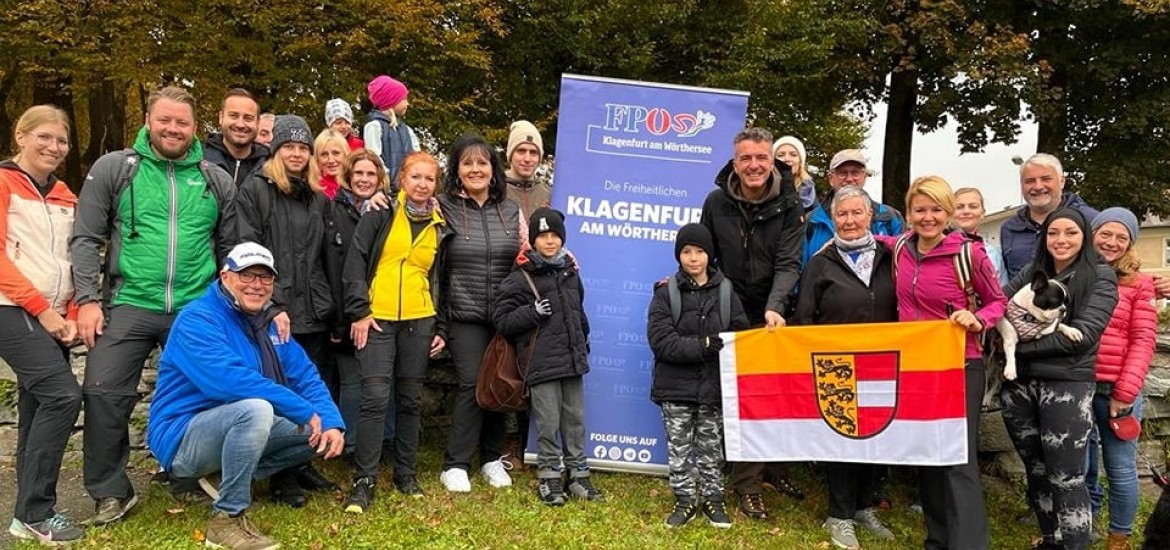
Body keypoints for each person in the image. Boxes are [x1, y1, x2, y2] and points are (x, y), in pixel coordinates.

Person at [71, 86, 237, 525]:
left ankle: (189, 474)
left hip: (194, 306)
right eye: (165, 120)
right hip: (128, 302)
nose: (173, 129)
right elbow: (86, 238)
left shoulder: (214, 179)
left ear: (195, 127)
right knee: (104, 393)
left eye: (182, 122)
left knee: (207, 394)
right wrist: (87, 299)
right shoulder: (116, 169)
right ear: (148, 120)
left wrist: (225, 309)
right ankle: (110, 491)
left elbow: (230, 250)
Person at [147, 242, 344, 550]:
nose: (257, 285)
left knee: (319, 432)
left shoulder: (269, 323)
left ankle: (220, 479)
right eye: (247, 275)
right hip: (182, 437)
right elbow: (229, 382)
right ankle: (226, 520)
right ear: (226, 277)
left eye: (265, 278)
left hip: (232, 427)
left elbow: (305, 376)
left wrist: (330, 421)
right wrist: (301, 409)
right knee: (256, 409)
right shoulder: (197, 320)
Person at [885, 175, 1006, 550]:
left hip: (960, 365)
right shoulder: (901, 248)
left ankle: (968, 543)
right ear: (908, 214)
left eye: (936, 209)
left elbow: (999, 301)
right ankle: (937, 539)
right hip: (916, 366)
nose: (928, 217)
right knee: (928, 452)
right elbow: (870, 240)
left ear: (948, 212)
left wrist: (979, 319)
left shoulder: (969, 255)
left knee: (958, 456)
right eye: (920, 210)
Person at [699, 127, 803, 520]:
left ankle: (763, 476)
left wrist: (775, 306)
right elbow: (705, 255)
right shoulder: (716, 201)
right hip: (729, 307)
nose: (754, 165)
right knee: (738, 398)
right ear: (735, 161)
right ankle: (749, 478)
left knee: (770, 397)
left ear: (772, 160)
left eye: (761, 158)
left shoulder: (791, 204)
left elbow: (789, 262)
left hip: (772, 313)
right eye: (746, 158)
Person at [235, 115, 340, 504]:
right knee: (277, 390)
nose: (296, 154)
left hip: (312, 308)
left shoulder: (317, 197)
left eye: (302, 148)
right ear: (276, 151)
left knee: (310, 385)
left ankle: (300, 462)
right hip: (273, 310)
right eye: (289, 147)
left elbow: (327, 255)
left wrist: (333, 309)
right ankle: (281, 475)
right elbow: (246, 250)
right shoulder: (257, 190)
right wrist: (271, 304)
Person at [1000, 208, 1118, 550]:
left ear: (1084, 237)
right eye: (1053, 233)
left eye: (1070, 233)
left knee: (1066, 477)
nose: (1061, 240)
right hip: (1019, 386)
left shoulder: (1100, 276)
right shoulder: (1031, 273)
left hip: (1067, 385)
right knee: (1036, 472)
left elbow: (1083, 334)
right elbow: (999, 304)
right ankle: (1050, 540)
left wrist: (1016, 348)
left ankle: (1075, 544)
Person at [341, 152, 448, 512]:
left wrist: (441, 326)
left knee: (410, 399)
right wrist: (358, 310)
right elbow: (355, 261)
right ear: (401, 179)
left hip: (420, 320)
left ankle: (406, 472)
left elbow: (443, 280)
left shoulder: (440, 223)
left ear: (436, 184)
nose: (422, 184)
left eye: (429, 179)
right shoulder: (380, 212)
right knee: (374, 397)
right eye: (415, 176)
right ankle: (365, 478)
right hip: (378, 318)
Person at [793, 186, 899, 549]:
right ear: (833, 218)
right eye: (842, 214)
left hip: (883, 363)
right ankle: (838, 516)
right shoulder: (821, 263)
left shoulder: (892, 258)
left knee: (876, 436)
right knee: (841, 440)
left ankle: (863, 507)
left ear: (870, 215)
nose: (850, 221)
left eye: (857, 213)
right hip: (835, 366)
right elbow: (804, 317)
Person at [1, 105, 85, 545]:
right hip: (10, 307)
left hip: (53, 315)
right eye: (45, 137)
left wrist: (69, 314)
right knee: (63, 396)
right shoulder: (2, 182)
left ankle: (25, 514)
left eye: (61, 140)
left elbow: (70, 262)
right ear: (21, 135)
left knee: (37, 406)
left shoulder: (66, 194)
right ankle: (36, 511)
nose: (54, 147)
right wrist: (42, 309)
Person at [493, 208, 602, 506]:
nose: (550, 241)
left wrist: (583, 340)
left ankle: (578, 475)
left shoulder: (570, 271)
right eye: (543, 236)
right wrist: (532, 313)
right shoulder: (520, 276)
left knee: (575, 419)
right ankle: (550, 476)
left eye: (555, 235)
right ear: (533, 241)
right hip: (541, 363)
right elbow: (501, 319)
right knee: (548, 421)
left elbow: (578, 312)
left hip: (571, 359)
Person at [435, 134, 522, 493]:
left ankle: (489, 458)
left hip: (503, 314)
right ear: (456, 169)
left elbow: (527, 254)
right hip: (462, 313)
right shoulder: (443, 206)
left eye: (482, 163)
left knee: (500, 381)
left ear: (493, 168)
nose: (475, 169)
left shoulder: (511, 210)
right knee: (473, 383)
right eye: (467, 163)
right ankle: (455, 463)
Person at [647, 223, 748, 528]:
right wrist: (703, 345)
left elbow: (741, 333)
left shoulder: (727, 291)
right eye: (686, 252)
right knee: (679, 451)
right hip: (675, 390)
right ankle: (685, 500)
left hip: (714, 388)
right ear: (679, 255)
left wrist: (733, 338)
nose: (693, 258)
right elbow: (661, 341)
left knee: (711, 449)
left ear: (710, 255)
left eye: (700, 251)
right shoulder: (666, 293)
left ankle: (714, 500)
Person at [1085, 207, 1156, 550]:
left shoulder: (1139, 284)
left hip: (1117, 390)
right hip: (1079, 386)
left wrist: (1125, 392)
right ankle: (1087, 525)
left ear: (1129, 243)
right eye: (1105, 234)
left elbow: (1143, 341)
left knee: (1121, 468)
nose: (1111, 242)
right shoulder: (1078, 273)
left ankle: (1119, 537)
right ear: (1093, 234)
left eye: (1121, 237)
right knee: (1082, 467)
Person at [324, 149, 391, 456]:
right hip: (344, 308)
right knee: (351, 381)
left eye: (371, 174)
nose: (364, 179)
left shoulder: (388, 209)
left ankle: (383, 442)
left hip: (381, 308)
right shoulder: (333, 211)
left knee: (380, 381)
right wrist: (341, 317)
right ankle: (351, 444)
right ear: (348, 177)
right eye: (359, 173)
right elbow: (332, 265)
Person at [1000, 153, 1099, 280]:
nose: (1038, 186)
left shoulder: (1091, 220)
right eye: (1030, 181)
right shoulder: (1009, 229)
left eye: (1046, 179)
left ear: (1062, 181)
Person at [802, 149, 904, 267]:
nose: (849, 179)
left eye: (855, 173)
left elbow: (905, 265)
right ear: (831, 178)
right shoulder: (811, 222)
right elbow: (799, 270)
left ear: (864, 176)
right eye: (842, 173)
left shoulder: (890, 218)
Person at [363, 75, 419, 193]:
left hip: (407, 191)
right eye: (404, 99)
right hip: (384, 191)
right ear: (391, 100)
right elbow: (373, 156)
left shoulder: (407, 130)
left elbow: (418, 157)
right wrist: (384, 177)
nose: (408, 103)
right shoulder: (375, 126)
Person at [202, 88, 269, 186]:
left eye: (248, 118)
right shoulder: (199, 160)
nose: (240, 125)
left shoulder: (270, 168)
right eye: (233, 116)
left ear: (258, 122)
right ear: (221, 118)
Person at [953, 187, 1009, 286]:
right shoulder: (938, 249)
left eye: (973, 206)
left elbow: (1002, 292)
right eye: (959, 207)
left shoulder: (994, 254)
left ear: (982, 213)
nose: (966, 211)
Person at [504, 120, 550, 218]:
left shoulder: (548, 196)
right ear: (510, 155)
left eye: (533, 152)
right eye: (521, 151)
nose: (527, 159)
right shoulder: (494, 191)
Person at [771, 135, 817, 213]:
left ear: (800, 161)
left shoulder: (809, 192)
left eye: (793, 155)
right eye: (780, 155)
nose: (787, 159)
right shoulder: (763, 189)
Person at [313, 129, 349, 200]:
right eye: (324, 154)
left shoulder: (356, 185)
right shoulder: (313, 190)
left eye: (336, 153)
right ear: (317, 159)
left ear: (346, 155)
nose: (331, 160)